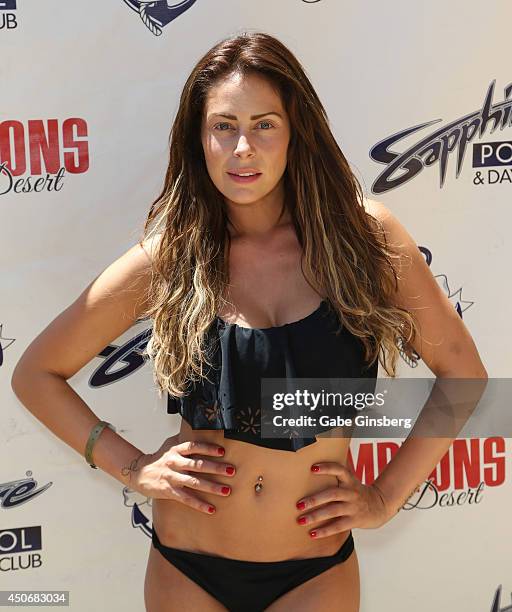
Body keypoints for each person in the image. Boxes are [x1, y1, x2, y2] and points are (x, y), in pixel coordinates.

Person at [11, 31, 488, 612]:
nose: (243, 148)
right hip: (187, 570)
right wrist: (131, 466)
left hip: (314, 573)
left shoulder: (364, 238)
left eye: (264, 124)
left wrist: (386, 496)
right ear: (199, 138)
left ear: (295, 132)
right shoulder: (171, 257)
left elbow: (464, 374)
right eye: (223, 125)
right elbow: (34, 373)